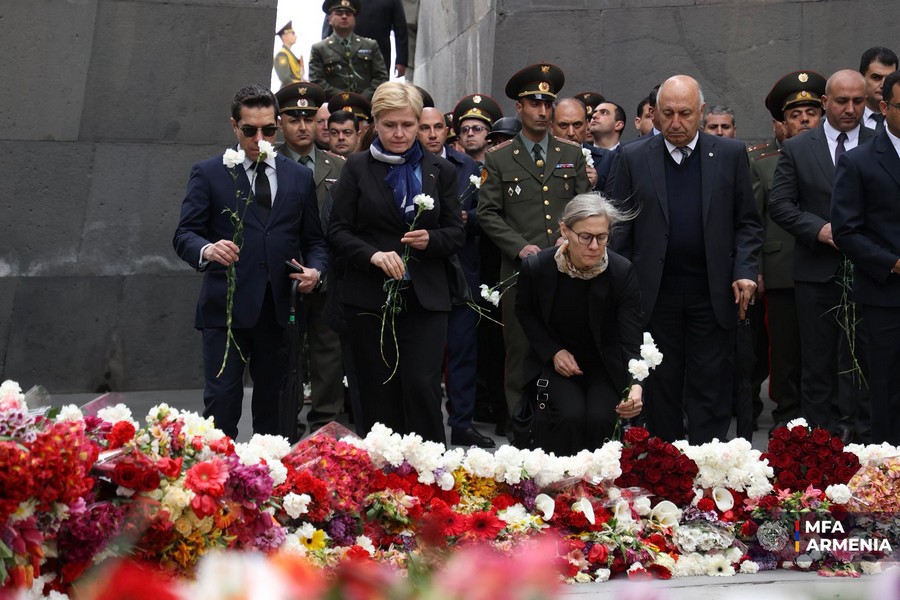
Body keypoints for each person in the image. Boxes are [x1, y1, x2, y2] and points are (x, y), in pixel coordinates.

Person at [610, 75, 763, 444]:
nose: (675, 123)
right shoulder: (633, 156)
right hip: (655, 293)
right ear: (654, 113)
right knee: (661, 383)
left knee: (711, 382)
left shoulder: (730, 154)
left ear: (702, 112)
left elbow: (747, 222)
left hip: (712, 291)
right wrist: (620, 287)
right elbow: (620, 227)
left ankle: (708, 460)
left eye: (685, 113)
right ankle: (666, 461)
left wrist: (745, 271)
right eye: (667, 114)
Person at [172, 84, 328, 440]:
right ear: (234, 126)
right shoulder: (209, 173)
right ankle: (218, 470)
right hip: (225, 310)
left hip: (279, 310)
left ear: (277, 126)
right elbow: (184, 234)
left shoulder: (299, 176)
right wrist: (207, 250)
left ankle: (268, 472)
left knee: (275, 409)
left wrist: (316, 271)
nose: (260, 139)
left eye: (269, 130)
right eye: (250, 130)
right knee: (221, 404)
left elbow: (314, 240)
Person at [327, 82, 465, 443]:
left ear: (419, 122)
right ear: (375, 123)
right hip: (370, 298)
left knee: (422, 386)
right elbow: (337, 231)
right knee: (378, 390)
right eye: (390, 125)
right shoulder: (357, 167)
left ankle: (430, 467)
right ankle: (382, 470)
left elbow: (456, 232)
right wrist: (372, 254)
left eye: (408, 124)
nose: (399, 133)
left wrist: (431, 239)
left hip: (426, 297)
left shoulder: (441, 169)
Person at [477, 63, 591, 434]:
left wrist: (569, 237)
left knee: (570, 343)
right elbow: (487, 213)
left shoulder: (571, 155)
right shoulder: (498, 158)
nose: (542, 111)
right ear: (520, 108)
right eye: (534, 103)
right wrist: (520, 247)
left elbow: (585, 207)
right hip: (520, 272)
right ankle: (520, 425)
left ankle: (565, 422)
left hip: (568, 268)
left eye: (547, 104)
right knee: (520, 348)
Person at [769, 69, 874, 443]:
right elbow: (780, 204)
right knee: (816, 361)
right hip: (816, 272)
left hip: (869, 272)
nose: (850, 109)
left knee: (865, 358)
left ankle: (865, 439)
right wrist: (819, 230)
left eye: (858, 101)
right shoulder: (798, 148)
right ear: (826, 102)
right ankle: (820, 442)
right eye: (842, 101)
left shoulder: (880, 143)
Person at [516, 193, 644, 455]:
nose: (594, 246)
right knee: (569, 415)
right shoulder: (538, 267)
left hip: (605, 364)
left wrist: (636, 385)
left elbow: (630, 337)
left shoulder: (621, 272)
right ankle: (561, 478)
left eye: (602, 237)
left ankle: (600, 479)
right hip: (557, 363)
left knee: (601, 418)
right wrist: (553, 351)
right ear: (565, 230)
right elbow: (526, 313)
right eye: (585, 237)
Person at [752, 70, 827, 432]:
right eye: (796, 114)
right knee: (784, 347)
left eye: (811, 113)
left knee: (824, 345)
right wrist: (756, 268)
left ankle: (823, 413)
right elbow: (754, 218)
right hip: (782, 268)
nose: (805, 120)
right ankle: (787, 414)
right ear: (782, 122)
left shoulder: (835, 157)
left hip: (825, 265)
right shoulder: (763, 160)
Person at [417, 106, 494, 447]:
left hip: (462, 271)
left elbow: (488, 214)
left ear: (447, 129)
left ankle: (462, 422)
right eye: (425, 128)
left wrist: (468, 219)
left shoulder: (469, 167)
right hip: (423, 271)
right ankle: (427, 425)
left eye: (438, 127)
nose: (432, 134)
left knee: (463, 350)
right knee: (427, 356)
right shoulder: (407, 165)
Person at [274, 81, 347, 434]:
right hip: (281, 274)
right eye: (294, 119)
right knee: (282, 350)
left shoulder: (340, 167)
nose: (303, 127)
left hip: (326, 273)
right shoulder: (267, 163)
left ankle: (324, 424)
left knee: (328, 351)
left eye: (309, 118)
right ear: (280, 122)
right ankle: (283, 421)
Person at [832, 70, 900, 445]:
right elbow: (846, 231)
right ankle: (890, 467)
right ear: (885, 107)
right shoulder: (860, 161)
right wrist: (891, 262)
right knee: (887, 390)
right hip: (886, 296)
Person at [309, 0, 388, 101]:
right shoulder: (319, 49)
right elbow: (316, 81)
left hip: (367, 104)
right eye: (339, 13)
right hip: (333, 106)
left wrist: (362, 98)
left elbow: (381, 77)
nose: (344, 16)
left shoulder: (371, 45)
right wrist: (344, 98)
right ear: (329, 19)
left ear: (354, 19)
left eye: (348, 14)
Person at [452, 94, 502, 166]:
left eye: (477, 129)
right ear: (460, 138)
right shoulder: (451, 168)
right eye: (465, 129)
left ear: (489, 136)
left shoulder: (500, 167)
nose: (470, 133)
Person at [858, 46, 897, 131]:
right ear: (861, 78)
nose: (883, 85)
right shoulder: (847, 117)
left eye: (889, 79)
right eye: (876, 77)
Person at [274, 21, 304, 87]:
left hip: (296, 89)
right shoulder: (281, 55)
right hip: (289, 90)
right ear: (284, 37)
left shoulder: (290, 55)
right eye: (292, 33)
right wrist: (301, 84)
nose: (296, 36)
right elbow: (285, 79)